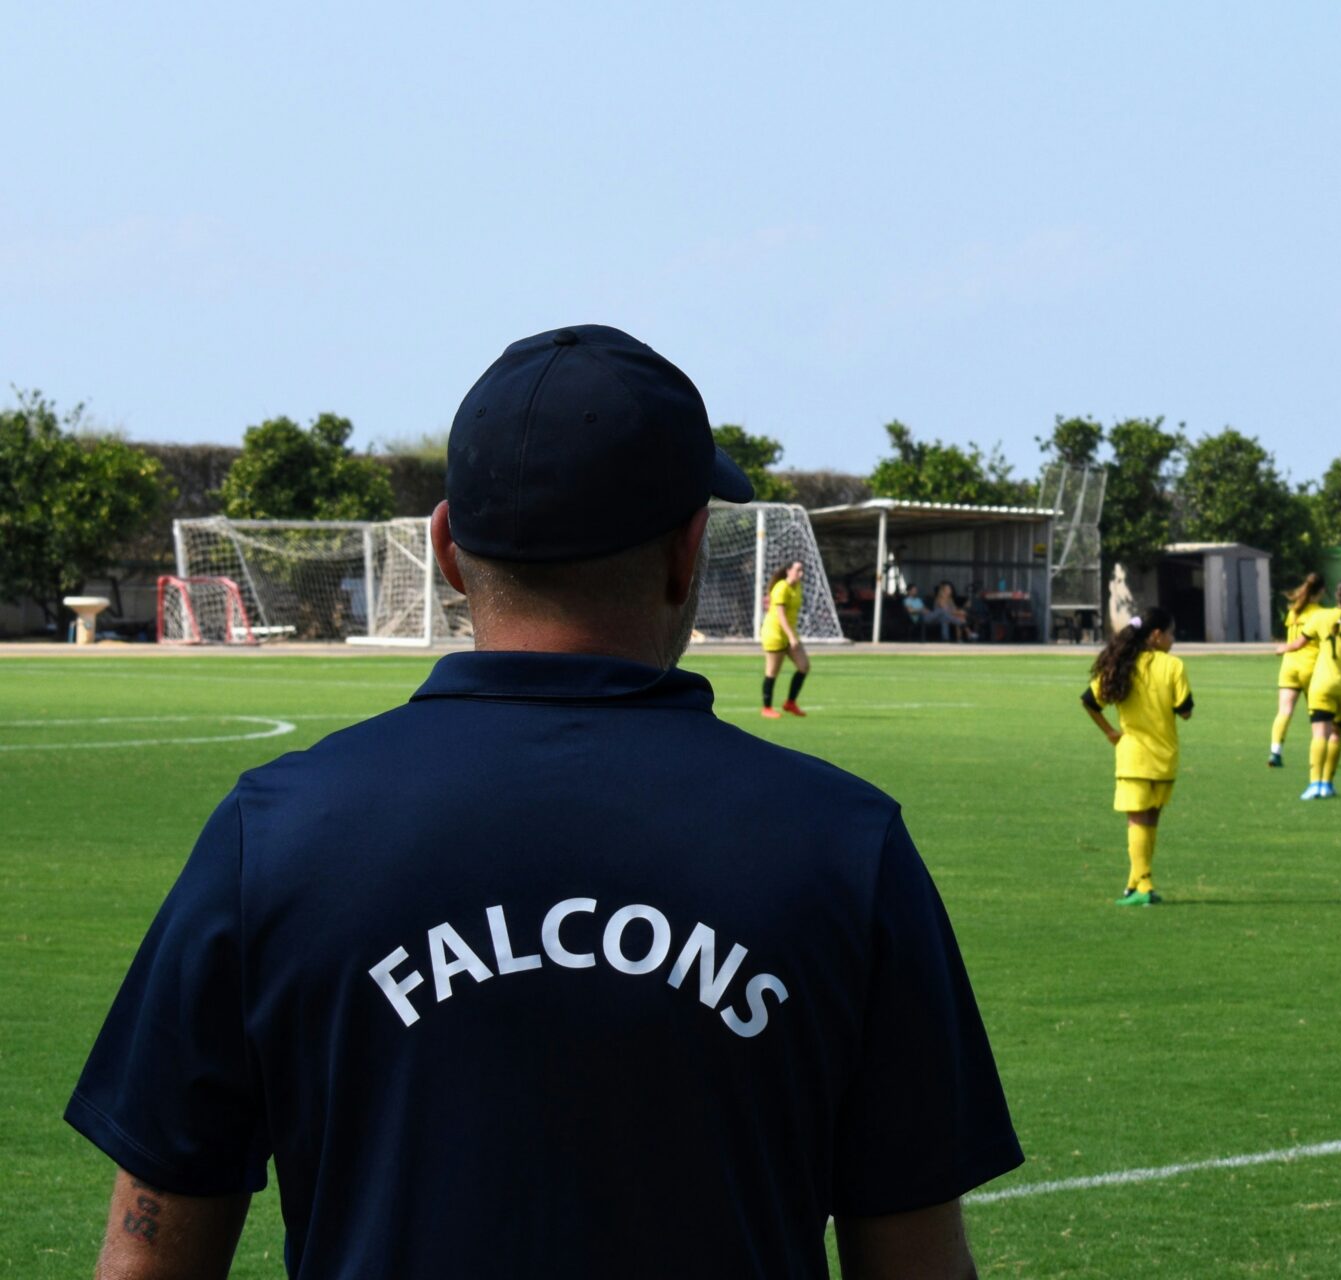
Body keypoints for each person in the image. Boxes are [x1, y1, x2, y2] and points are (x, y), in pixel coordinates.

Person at [63, 325, 1019, 1279]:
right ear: (690, 552)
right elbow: (920, 1265)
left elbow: (146, 1259)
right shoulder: (846, 846)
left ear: (445, 550)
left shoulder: (273, 833)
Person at [1081, 606, 1192, 906]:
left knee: (1137, 821)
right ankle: (1135, 885)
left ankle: (1143, 885)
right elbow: (1185, 711)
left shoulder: (1121, 665)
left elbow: (1089, 701)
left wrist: (1110, 732)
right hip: (1165, 756)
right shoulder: (1173, 666)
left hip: (1133, 756)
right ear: (1156, 635)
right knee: (1150, 820)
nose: (1172, 640)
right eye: (1170, 634)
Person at [1279, 579, 1341, 799]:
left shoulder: (1321, 617)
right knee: (1336, 734)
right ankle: (1327, 784)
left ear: (1337, 595)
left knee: (1319, 735)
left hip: (1323, 684)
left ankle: (1314, 784)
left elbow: (1299, 643)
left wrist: (1283, 648)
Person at [1269, 572, 1325, 767]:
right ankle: (1318, 754)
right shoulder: (1320, 614)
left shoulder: (1294, 611)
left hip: (1290, 665)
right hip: (1311, 666)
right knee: (1318, 714)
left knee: (1284, 710)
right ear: (1322, 591)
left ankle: (1275, 752)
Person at [760, 560, 809, 718]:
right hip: (774, 634)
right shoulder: (781, 588)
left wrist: (791, 636)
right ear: (788, 570)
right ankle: (767, 708)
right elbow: (781, 616)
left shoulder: (798, 587)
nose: (800, 574)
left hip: (789, 634)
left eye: (802, 571)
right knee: (772, 671)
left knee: (804, 666)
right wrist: (791, 637)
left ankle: (790, 703)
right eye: (797, 570)